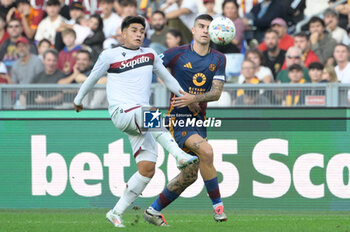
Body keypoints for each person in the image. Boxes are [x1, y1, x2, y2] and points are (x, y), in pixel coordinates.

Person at [73, 16, 199, 228]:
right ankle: (179, 156)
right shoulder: (110, 55)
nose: (139, 34)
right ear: (123, 33)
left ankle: (115, 212)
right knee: (150, 111)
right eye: (134, 30)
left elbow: (168, 79)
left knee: (147, 168)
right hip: (122, 112)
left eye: (142, 30)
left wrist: (186, 96)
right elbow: (92, 78)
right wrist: (78, 100)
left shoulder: (149, 54)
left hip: (140, 118)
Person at [144, 14, 227, 226]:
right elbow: (152, 67)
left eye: (209, 27)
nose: (205, 30)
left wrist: (194, 98)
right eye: (201, 26)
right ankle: (218, 208)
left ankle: (153, 211)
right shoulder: (176, 54)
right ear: (193, 29)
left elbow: (216, 93)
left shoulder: (218, 58)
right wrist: (179, 93)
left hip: (199, 121)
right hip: (177, 118)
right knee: (207, 152)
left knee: (190, 175)